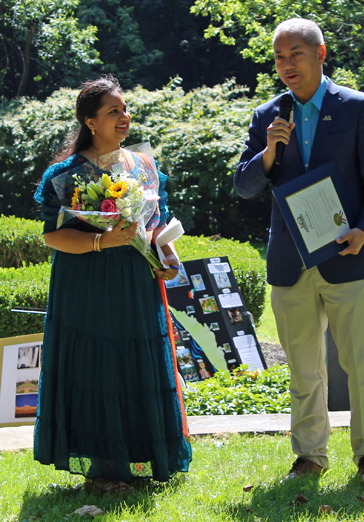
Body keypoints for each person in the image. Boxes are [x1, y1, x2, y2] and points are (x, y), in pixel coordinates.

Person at [234, 19, 364, 484]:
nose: (287, 65)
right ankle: (309, 456)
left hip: (350, 257)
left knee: (363, 364)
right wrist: (268, 152)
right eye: (279, 58)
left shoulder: (359, 108)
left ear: (320, 54)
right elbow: (244, 185)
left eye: (296, 54)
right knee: (303, 369)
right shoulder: (268, 116)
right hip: (291, 264)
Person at [34, 76, 192, 494]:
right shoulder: (65, 174)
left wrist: (166, 257)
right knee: (96, 366)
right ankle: (102, 470)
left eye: (124, 109)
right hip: (86, 283)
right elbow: (52, 236)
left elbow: (158, 226)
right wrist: (102, 240)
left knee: (134, 362)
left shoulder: (144, 167)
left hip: (136, 283)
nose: (124, 117)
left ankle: (142, 456)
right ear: (90, 122)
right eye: (113, 112)